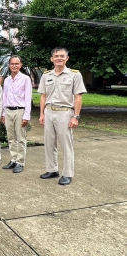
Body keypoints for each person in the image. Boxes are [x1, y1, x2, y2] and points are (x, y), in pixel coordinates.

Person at [38, 47, 87, 186]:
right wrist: (42, 113)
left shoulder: (74, 75)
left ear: (67, 58)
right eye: (56, 56)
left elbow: (78, 97)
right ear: (51, 59)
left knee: (66, 145)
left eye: (62, 56)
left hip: (65, 112)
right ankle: (52, 170)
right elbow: (43, 95)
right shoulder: (46, 75)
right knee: (49, 143)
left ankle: (67, 173)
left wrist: (76, 117)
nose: (59, 58)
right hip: (49, 112)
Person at [1, 55, 32, 173]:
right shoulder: (7, 80)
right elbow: (5, 97)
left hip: (20, 111)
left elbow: (28, 98)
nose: (14, 66)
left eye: (16, 63)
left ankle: (20, 162)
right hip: (8, 111)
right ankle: (13, 159)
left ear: (20, 65)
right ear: (9, 65)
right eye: (12, 64)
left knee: (20, 138)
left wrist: (26, 115)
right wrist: (3, 113)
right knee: (11, 137)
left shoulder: (25, 79)